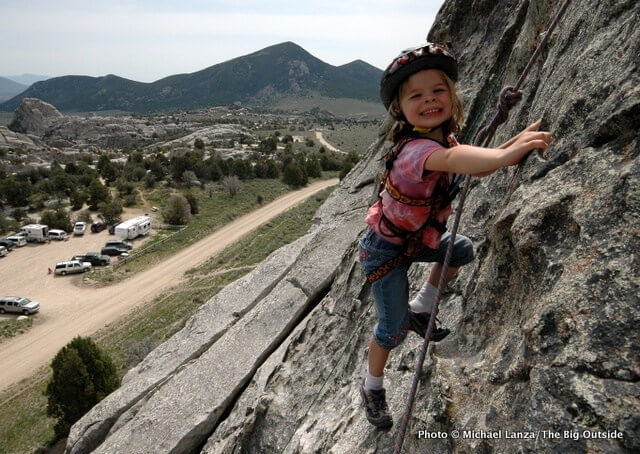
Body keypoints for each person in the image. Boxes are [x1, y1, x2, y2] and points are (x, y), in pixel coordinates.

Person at [358, 42, 552, 429]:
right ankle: (371, 385)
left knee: (460, 249)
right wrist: (503, 156)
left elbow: (469, 165)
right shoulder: (417, 151)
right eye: (417, 95)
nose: (429, 100)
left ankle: (424, 306)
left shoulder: (441, 140)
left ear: (451, 94)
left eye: (438, 91)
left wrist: (510, 145)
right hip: (385, 253)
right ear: (401, 108)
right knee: (392, 330)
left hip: (416, 240)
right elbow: (453, 162)